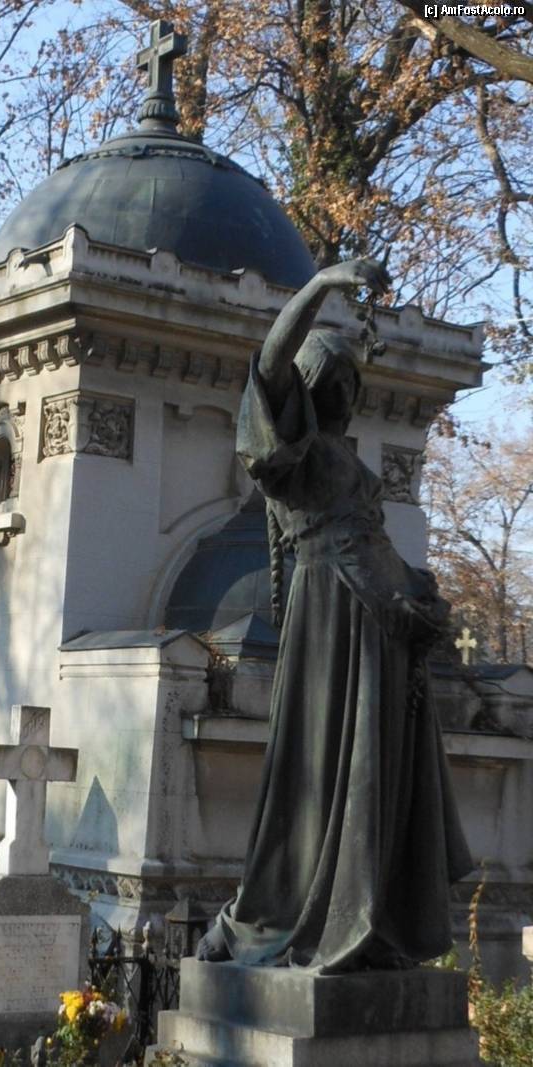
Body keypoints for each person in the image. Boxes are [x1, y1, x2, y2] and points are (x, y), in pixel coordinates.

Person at [197, 259, 472, 973]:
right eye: (336, 382)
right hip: (329, 619)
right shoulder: (289, 457)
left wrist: (419, 592)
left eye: (354, 384)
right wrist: (320, 287)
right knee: (326, 769)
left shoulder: (349, 464)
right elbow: (269, 365)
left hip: (382, 624)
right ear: (311, 389)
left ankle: (369, 916)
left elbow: (375, 543)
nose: (348, 394)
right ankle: (294, 911)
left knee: (376, 774)